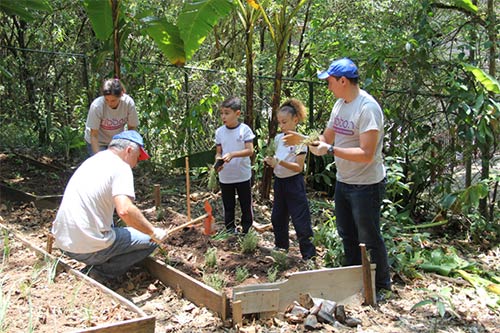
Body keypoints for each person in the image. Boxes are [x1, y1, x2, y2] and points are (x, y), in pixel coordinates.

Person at [284, 58, 391, 298]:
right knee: (347, 234)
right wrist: (304, 141)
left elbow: (366, 154)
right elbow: (326, 139)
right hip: (344, 181)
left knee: (370, 236)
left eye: (330, 82)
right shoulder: (340, 105)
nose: (328, 86)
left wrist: (329, 150)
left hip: (367, 185)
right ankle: (353, 282)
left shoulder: (367, 108)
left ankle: (382, 286)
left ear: (343, 81)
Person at [52, 130, 168, 281]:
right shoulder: (121, 167)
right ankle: (100, 272)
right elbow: (125, 210)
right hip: (87, 248)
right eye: (137, 157)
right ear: (129, 150)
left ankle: (100, 257)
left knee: (118, 229)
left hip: (63, 242)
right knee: (151, 241)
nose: (136, 164)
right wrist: (153, 231)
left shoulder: (93, 161)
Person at [264, 98, 316, 260]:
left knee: (300, 219)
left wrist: (279, 162)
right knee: (278, 216)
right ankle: (281, 248)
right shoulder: (279, 138)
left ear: (295, 120)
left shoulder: (301, 141)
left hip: (294, 183)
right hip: (280, 182)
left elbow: (298, 168)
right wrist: (271, 162)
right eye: (280, 122)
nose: (282, 126)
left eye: (284, 122)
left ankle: (309, 255)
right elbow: (276, 158)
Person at [214, 97, 255, 234]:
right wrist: (218, 162)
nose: (223, 116)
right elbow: (218, 152)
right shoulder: (219, 132)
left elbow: (250, 150)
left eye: (227, 113)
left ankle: (247, 230)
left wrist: (232, 154)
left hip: (242, 175)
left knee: (245, 205)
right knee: (228, 205)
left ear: (237, 114)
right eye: (222, 113)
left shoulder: (245, 130)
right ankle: (230, 230)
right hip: (226, 176)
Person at [84, 78, 139, 155]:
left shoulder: (128, 104)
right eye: (107, 100)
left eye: (113, 100)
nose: (109, 103)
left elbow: (132, 129)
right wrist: (98, 157)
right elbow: (94, 135)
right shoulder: (97, 106)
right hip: (97, 141)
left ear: (121, 95)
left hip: (116, 141)